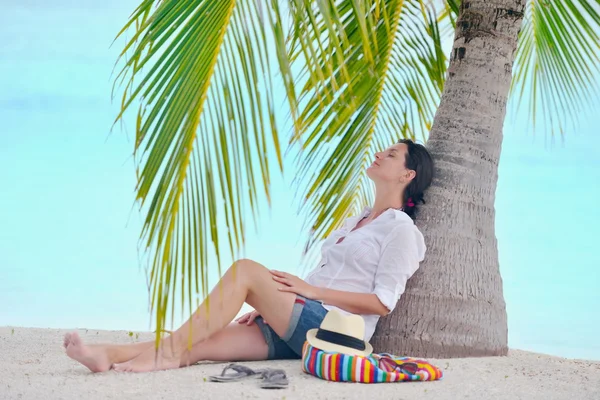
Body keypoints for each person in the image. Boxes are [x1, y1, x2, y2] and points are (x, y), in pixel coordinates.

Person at [63, 139, 434, 373]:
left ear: (407, 174)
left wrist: (309, 293)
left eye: (392, 155)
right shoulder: (354, 221)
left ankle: (163, 354)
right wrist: (273, 303)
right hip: (302, 324)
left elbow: (383, 302)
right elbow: (320, 278)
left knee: (245, 271)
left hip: (332, 331)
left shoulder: (401, 231)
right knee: (200, 344)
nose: (380, 154)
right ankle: (106, 354)